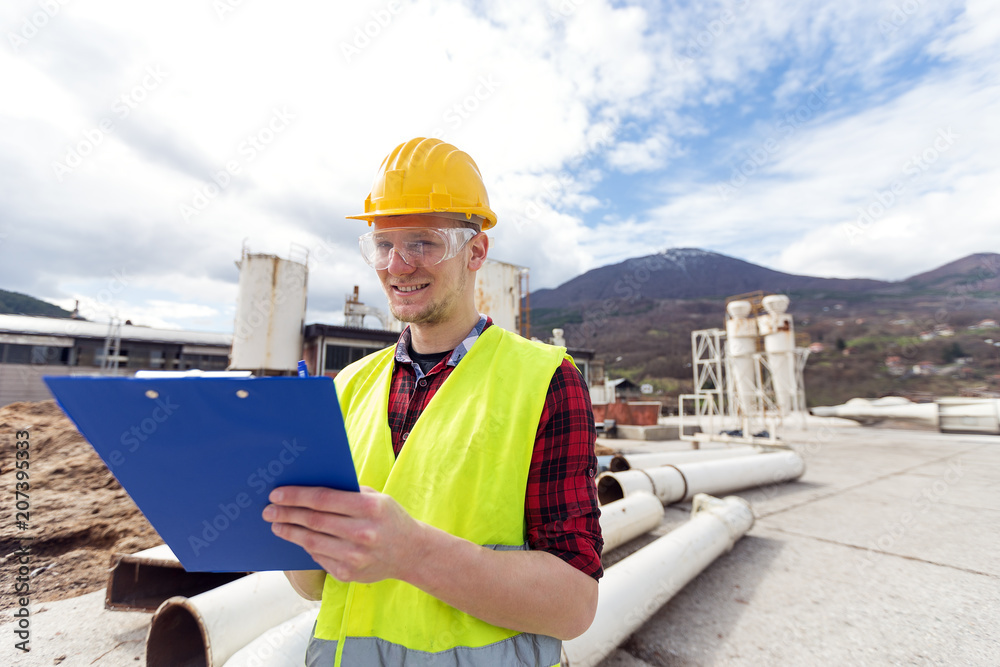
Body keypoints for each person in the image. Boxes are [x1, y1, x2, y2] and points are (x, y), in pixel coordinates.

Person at [262, 137, 602, 667]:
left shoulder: (544, 380)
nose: (397, 265)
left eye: (422, 242)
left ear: (477, 251)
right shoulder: (348, 387)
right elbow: (312, 586)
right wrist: (284, 511)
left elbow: (573, 606)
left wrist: (412, 552)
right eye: (382, 243)